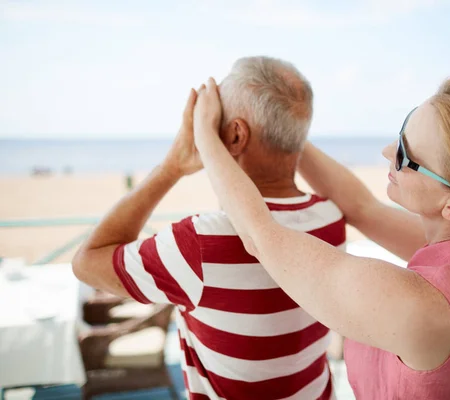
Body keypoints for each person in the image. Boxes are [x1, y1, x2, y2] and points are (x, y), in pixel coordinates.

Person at [192, 76, 450, 399]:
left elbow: (261, 237)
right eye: (401, 132)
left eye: (405, 155)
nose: (387, 152)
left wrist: (205, 137)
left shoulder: (419, 306)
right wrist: (282, 129)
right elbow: (361, 208)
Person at [72, 57, 345, 399]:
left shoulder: (200, 244)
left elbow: (87, 261)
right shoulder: (332, 219)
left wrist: (171, 166)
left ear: (234, 134)